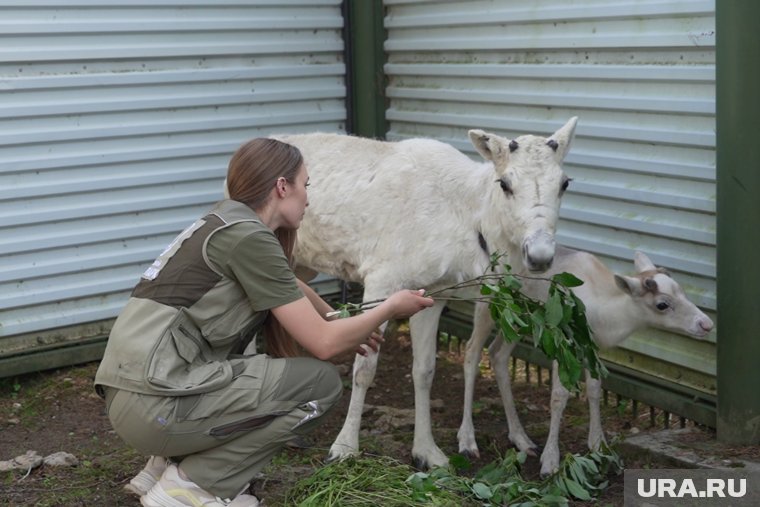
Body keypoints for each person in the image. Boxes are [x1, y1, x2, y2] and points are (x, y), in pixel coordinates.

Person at [94, 138, 434, 507]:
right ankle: (191, 487)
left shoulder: (226, 223)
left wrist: (337, 317)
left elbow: (287, 284)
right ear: (282, 187)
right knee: (318, 385)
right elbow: (324, 345)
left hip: (135, 393)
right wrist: (388, 309)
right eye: (306, 185)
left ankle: (163, 468)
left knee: (255, 370)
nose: (308, 198)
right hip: (153, 406)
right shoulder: (249, 238)